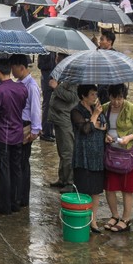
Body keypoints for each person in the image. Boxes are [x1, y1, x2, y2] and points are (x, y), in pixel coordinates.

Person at [0, 57, 29, 215]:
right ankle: (15, 202)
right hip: (17, 134)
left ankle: (4, 205)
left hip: (3, 136)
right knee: (16, 169)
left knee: (4, 171)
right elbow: (22, 107)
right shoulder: (22, 88)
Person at [103, 83, 133, 232]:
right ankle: (114, 215)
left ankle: (126, 219)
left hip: (129, 154)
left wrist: (130, 137)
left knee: (127, 188)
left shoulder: (130, 108)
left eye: (120, 98)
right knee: (110, 187)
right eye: (114, 98)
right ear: (109, 96)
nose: (116, 102)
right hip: (111, 153)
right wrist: (105, 135)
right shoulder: (105, 108)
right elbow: (99, 125)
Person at [70, 83, 108, 233]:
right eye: (92, 94)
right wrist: (94, 118)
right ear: (83, 96)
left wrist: (95, 122)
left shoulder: (96, 108)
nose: (95, 97)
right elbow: (85, 130)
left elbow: (104, 126)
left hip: (97, 154)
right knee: (83, 189)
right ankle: (82, 219)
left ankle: (93, 220)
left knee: (96, 190)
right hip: (83, 155)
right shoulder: (76, 111)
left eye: (96, 94)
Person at [9, 54, 42, 212]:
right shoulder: (19, 83)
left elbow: (36, 109)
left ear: (21, 67)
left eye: (13, 68)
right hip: (18, 124)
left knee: (22, 162)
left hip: (26, 125)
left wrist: (35, 130)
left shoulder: (31, 85)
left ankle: (22, 197)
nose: (12, 71)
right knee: (18, 162)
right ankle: (18, 195)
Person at [47, 57, 78, 189]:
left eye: (58, 59)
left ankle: (70, 182)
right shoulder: (62, 75)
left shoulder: (74, 78)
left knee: (67, 152)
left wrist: (57, 87)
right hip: (57, 117)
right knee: (61, 151)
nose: (56, 60)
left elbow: (72, 97)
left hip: (65, 118)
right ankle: (62, 178)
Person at [37, 51, 57, 141]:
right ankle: (45, 132)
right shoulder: (45, 50)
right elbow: (41, 65)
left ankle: (49, 131)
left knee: (52, 105)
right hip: (47, 79)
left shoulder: (53, 49)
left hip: (51, 78)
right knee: (47, 106)